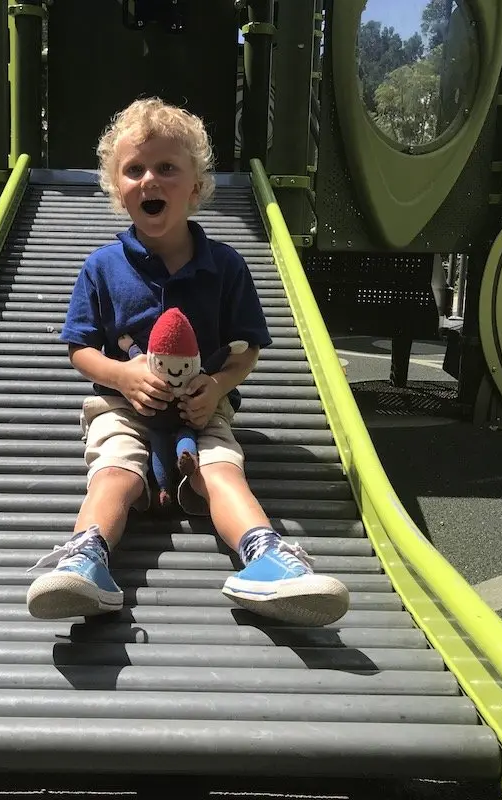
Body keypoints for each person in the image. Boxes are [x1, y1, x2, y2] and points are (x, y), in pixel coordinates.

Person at [26, 97, 350, 626]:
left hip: (202, 412)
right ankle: (87, 558)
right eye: (134, 170)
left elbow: (248, 350)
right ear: (116, 188)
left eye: (167, 168)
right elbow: (79, 348)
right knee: (114, 473)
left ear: (195, 188)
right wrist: (122, 377)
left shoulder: (225, 266)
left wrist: (217, 387)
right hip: (124, 407)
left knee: (223, 471)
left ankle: (266, 557)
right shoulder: (102, 268)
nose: (149, 179)